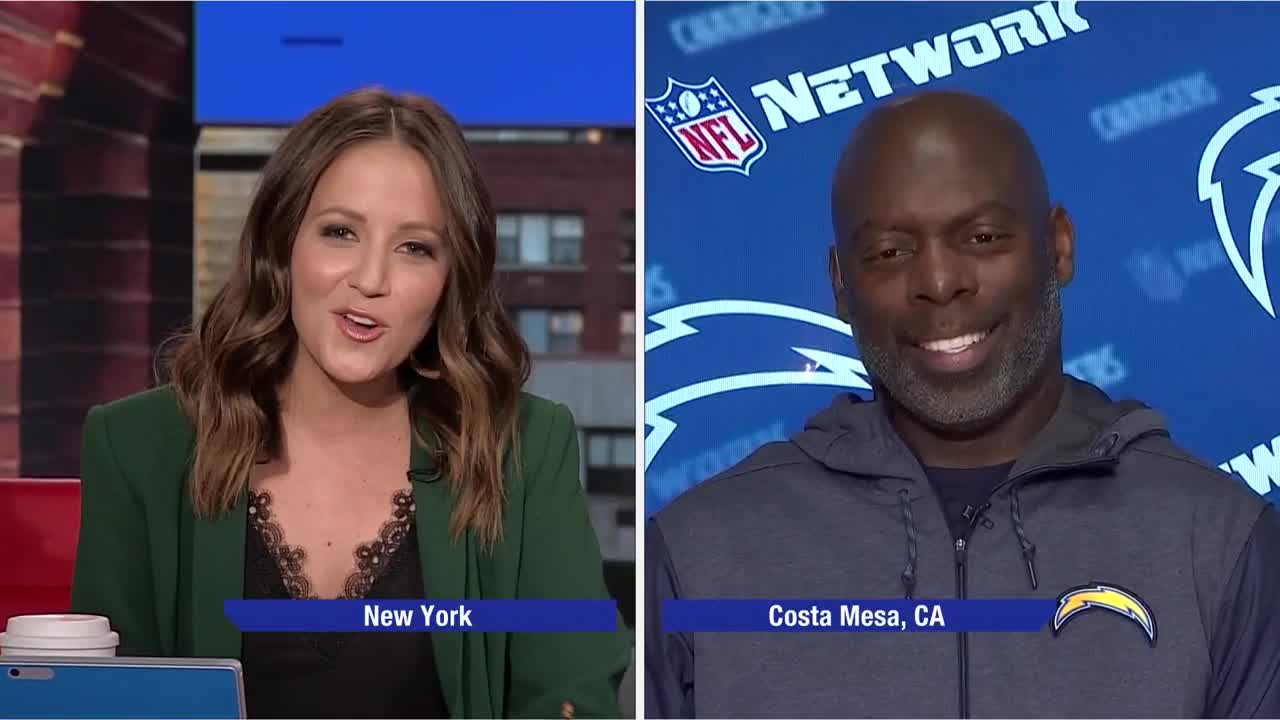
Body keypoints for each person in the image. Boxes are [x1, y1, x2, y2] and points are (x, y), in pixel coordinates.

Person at [645, 91, 1280, 718]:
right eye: (891, 252)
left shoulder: (1219, 541)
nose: (941, 282)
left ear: (1057, 246)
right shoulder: (697, 554)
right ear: (841, 283)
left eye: (981, 236)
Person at [71, 87, 630, 719]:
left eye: (415, 247)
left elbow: (570, 691)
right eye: (340, 232)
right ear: (282, 243)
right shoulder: (142, 448)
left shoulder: (522, 447)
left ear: (451, 279)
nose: (371, 280)